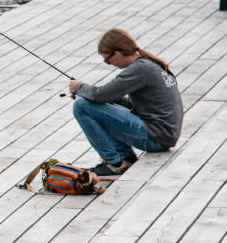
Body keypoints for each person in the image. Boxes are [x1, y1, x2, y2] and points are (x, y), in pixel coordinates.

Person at [68, 29, 184, 177]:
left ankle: (113, 164)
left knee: (81, 105)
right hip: (163, 134)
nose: (108, 64)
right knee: (97, 103)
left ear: (117, 54)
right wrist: (107, 99)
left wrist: (78, 87)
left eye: (106, 59)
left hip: (156, 137)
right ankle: (126, 158)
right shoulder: (148, 64)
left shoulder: (140, 69)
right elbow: (125, 102)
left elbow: (100, 95)